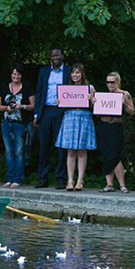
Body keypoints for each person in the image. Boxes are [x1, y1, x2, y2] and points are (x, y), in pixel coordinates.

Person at [33, 48, 71, 189]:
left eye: (57, 54)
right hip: (46, 111)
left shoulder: (68, 71)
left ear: (62, 56)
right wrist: (36, 114)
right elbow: (39, 93)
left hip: (62, 111)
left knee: (61, 146)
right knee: (44, 146)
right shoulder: (43, 72)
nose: (55, 57)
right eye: (53, 55)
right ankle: (42, 178)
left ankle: (61, 178)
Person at [55, 63, 96, 191]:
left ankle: (80, 181)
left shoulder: (90, 87)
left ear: (82, 74)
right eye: (73, 72)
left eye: (77, 72)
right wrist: (59, 102)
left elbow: (95, 107)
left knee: (82, 150)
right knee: (71, 151)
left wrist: (92, 101)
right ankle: (70, 180)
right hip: (70, 117)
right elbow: (62, 104)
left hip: (84, 117)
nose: (75, 75)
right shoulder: (67, 88)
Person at [95, 72, 135, 193]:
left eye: (112, 82)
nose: (110, 84)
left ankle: (122, 185)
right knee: (106, 154)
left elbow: (132, 111)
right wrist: (94, 103)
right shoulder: (103, 95)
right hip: (103, 126)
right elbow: (96, 112)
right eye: (108, 82)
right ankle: (109, 184)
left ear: (118, 82)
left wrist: (124, 104)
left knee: (115, 155)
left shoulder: (124, 94)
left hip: (116, 126)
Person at [0, 64, 35, 188]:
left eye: (18, 74)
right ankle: (9, 178)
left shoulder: (27, 87)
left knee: (19, 151)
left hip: (21, 123)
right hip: (6, 123)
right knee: (8, 151)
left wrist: (21, 106)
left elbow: (33, 106)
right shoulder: (4, 87)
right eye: (14, 74)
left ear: (21, 75)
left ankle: (18, 178)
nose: (16, 76)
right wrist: (7, 108)